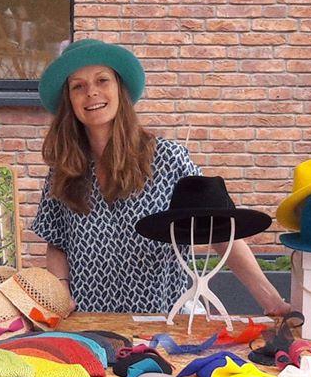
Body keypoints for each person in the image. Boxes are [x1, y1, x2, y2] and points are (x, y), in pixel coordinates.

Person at [32, 39, 291, 316]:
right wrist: (61, 293)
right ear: (69, 100)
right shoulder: (64, 169)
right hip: (88, 322)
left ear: (120, 88)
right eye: (78, 86)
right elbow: (57, 241)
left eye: (102, 80)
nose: (91, 92)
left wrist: (272, 302)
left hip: (160, 324)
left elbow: (220, 231)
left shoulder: (168, 158)